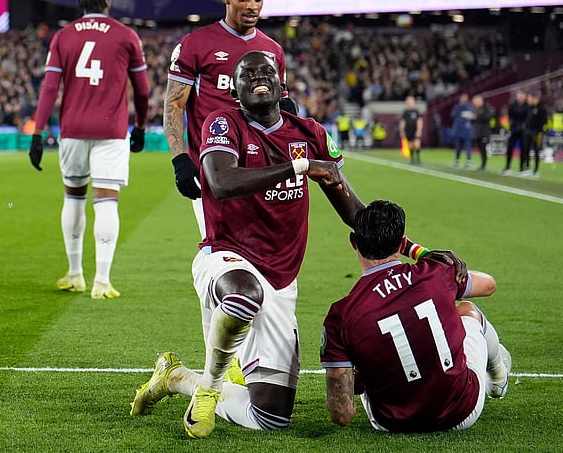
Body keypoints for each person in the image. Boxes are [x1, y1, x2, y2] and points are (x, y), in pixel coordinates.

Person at [131, 51, 448, 438]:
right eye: (247, 75)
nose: (259, 77)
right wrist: (299, 167)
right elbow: (220, 182)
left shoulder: (310, 133)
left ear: (282, 85)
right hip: (226, 257)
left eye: (267, 72)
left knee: (271, 418)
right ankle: (211, 389)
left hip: (281, 281)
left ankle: (176, 377)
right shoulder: (223, 123)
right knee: (245, 295)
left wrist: (419, 252)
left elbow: (357, 217)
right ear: (236, 92)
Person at [321, 199, 512, 433]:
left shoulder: (341, 314)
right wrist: (422, 252)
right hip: (462, 410)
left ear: (354, 243)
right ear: (402, 243)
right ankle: (498, 375)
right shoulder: (435, 273)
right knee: (467, 310)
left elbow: (342, 414)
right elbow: (489, 285)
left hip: (391, 423)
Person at [28, 0, 149, 300]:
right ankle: (102, 281)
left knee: (74, 198)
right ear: (107, 3)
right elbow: (142, 89)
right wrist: (140, 126)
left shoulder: (63, 36)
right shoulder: (126, 35)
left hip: (73, 130)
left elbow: (50, 88)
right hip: (111, 130)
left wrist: (38, 132)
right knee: (106, 199)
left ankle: (74, 274)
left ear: (80, 6)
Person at [164, 0, 288, 239]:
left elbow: (282, 112)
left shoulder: (273, 51)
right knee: (224, 257)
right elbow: (173, 105)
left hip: (262, 174)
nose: (252, 5)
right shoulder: (195, 44)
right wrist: (180, 160)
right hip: (214, 173)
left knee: (271, 256)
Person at [501, 90, 528, 175]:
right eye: (518, 94)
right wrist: (511, 124)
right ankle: (507, 166)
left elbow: (528, 117)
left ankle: (521, 167)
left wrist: (524, 126)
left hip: (523, 130)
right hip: (514, 129)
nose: (518, 96)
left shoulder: (527, 105)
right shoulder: (513, 104)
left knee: (523, 149)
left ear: (524, 95)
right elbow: (510, 115)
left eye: (520, 94)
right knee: (510, 148)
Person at [523, 92, 548, 178]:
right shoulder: (529, 108)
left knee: (537, 150)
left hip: (537, 133)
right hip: (528, 132)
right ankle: (527, 167)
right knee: (526, 149)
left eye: (529, 98)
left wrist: (540, 131)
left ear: (534, 99)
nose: (528, 100)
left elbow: (544, 121)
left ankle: (536, 170)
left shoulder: (541, 108)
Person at [450, 93, 476, 168]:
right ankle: (457, 160)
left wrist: (467, 115)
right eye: (463, 97)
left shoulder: (469, 106)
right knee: (458, 146)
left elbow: (473, 116)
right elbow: (453, 115)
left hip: (467, 130)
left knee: (467, 146)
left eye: (465, 97)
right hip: (458, 129)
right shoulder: (457, 106)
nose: (464, 99)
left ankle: (469, 161)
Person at [472, 95, 496, 171]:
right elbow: (474, 121)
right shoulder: (477, 109)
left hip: (485, 132)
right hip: (478, 132)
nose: (474, 103)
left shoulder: (486, 108)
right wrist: (472, 118)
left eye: (475, 101)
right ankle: (482, 164)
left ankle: (483, 164)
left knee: (483, 148)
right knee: (480, 148)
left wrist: (477, 117)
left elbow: (488, 117)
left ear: (480, 100)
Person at [399, 95, 424, 165]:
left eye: (411, 102)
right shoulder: (405, 112)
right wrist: (402, 130)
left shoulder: (416, 111)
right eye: (408, 102)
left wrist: (419, 130)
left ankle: (418, 159)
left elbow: (419, 121)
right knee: (410, 145)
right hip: (408, 130)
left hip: (415, 130)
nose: (410, 103)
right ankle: (412, 159)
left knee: (417, 144)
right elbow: (403, 122)